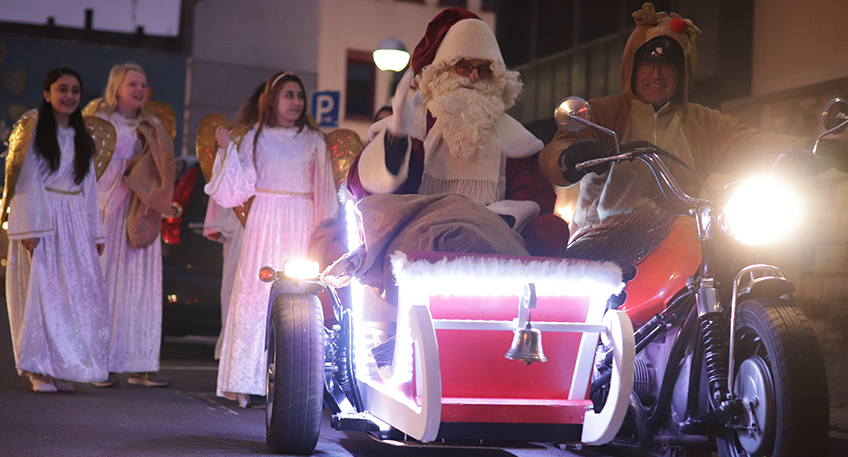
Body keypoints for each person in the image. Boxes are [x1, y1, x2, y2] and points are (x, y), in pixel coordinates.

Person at [539, 3, 847, 242]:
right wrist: (570, 157)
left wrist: (815, 148)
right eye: (647, 64)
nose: (656, 74)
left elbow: (752, 141)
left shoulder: (702, 122)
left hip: (677, 239)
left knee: (730, 266)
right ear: (632, 67)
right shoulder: (605, 112)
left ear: (683, 74)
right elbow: (560, 146)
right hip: (602, 238)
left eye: (668, 67)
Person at [348, 7, 570, 257]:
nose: (474, 77)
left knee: (552, 228)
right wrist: (396, 138)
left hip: (491, 235)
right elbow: (363, 189)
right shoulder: (416, 127)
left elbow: (535, 199)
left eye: (484, 69)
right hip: (421, 232)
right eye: (463, 67)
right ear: (441, 72)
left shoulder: (517, 140)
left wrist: (481, 222)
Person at [205, 71, 338, 407]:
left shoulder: (314, 141)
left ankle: (295, 384)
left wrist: (323, 235)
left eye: (300, 96)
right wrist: (226, 150)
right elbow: (238, 189)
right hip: (265, 220)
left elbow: (324, 192)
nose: (296, 102)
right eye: (288, 95)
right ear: (273, 99)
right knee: (254, 298)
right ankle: (245, 380)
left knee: (298, 300)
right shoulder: (256, 137)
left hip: (301, 220)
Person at [3, 68, 110, 392]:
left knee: (72, 296)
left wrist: (95, 232)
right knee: (43, 293)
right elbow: (26, 181)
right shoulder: (34, 130)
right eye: (62, 89)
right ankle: (39, 369)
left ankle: (61, 365)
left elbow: (88, 186)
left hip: (74, 220)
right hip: (44, 217)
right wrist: (30, 228)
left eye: (75, 90)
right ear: (47, 94)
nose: (69, 96)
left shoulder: (81, 136)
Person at [91, 63, 175, 387]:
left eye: (143, 84)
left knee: (142, 289)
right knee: (109, 285)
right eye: (132, 84)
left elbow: (163, 169)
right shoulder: (99, 122)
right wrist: (128, 168)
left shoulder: (151, 126)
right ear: (116, 88)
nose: (140, 89)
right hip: (112, 211)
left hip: (142, 212)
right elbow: (91, 170)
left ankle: (142, 364)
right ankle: (103, 363)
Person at [201, 82, 263, 359]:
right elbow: (226, 180)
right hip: (240, 225)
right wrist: (220, 222)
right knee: (237, 287)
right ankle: (234, 352)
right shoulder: (241, 138)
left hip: (275, 222)